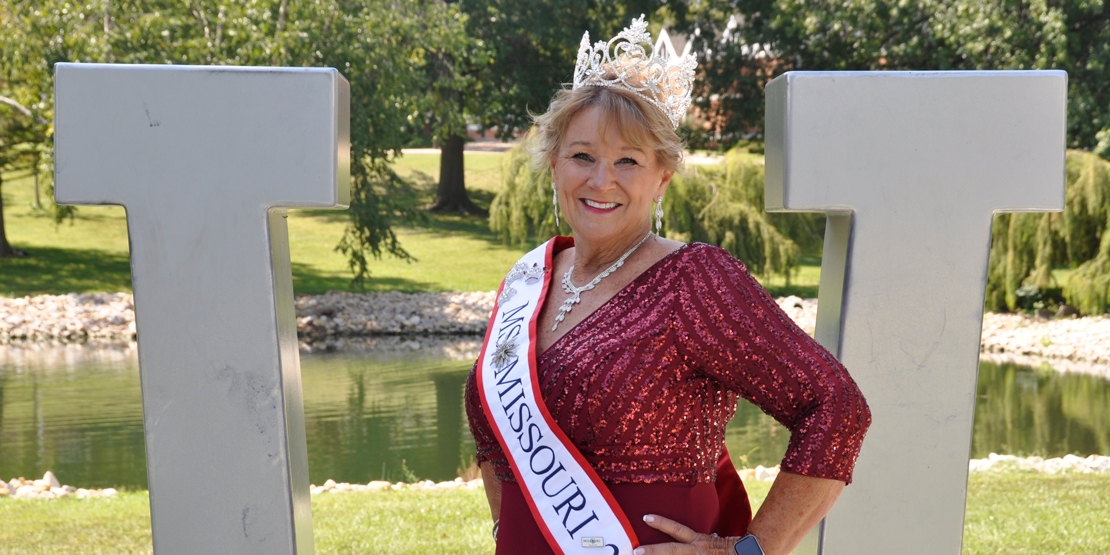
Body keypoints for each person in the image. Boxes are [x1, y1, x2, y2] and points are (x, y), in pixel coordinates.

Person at [465, 16, 870, 555]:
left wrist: (748, 550)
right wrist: (507, 530)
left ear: (662, 178)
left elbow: (836, 407)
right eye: (582, 155)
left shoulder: (694, 282)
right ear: (554, 164)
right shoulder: (527, 281)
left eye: (627, 161)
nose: (601, 179)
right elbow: (497, 446)